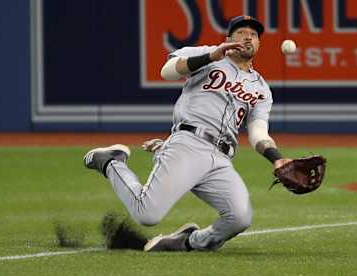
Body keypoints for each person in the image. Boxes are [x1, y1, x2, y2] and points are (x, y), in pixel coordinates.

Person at [83, 15, 291, 252]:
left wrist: (277, 158)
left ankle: (187, 241)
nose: (247, 37)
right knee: (147, 214)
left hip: (221, 159)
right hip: (188, 143)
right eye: (241, 32)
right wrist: (212, 56)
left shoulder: (261, 88)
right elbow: (167, 71)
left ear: (258, 44)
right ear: (229, 39)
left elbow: (258, 133)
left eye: (253, 34)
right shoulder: (209, 54)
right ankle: (111, 162)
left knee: (240, 218)